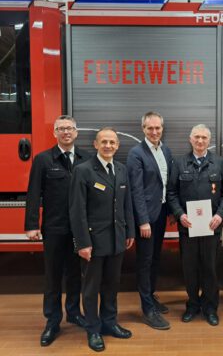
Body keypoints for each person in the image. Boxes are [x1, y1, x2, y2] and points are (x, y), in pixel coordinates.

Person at [25, 115, 90, 347]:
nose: (66, 132)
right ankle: (52, 321)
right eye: (61, 129)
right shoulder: (43, 160)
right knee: (53, 276)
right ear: (54, 133)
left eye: (70, 128)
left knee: (75, 273)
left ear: (76, 132)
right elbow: (34, 194)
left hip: (79, 229)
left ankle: (73, 312)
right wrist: (32, 224)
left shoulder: (86, 159)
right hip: (54, 228)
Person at [69, 127, 135, 352]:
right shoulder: (83, 170)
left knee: (112, 285)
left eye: (112, 142)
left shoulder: (122, 169)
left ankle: (109, 322)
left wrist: (130, 232)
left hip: (117, 239)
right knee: (91, 288)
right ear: (95, 144)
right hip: (93, 242)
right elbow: (77, 210)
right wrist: (82, 243)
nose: (108, 146)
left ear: (117, 146)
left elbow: (126, 204)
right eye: (104, 142)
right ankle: (93, 329)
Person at [167, 124, 223, 326]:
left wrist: (220, 215)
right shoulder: (179, 163)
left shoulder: (220, 163)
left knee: (210, 269)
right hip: (187, 227)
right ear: (190, 139)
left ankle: (210, 308)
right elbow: (171, 193)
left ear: (209, 140)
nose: (200, 141)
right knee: (190, 269)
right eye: (197, 137)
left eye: (204, 137)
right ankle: (193, 305)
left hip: (212, 227)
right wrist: (180, 215)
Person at [126, 112, 173, 330]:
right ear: (143, 129)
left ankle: (151, 297)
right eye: (150, 128)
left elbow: (166, 183)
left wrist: (170, 211)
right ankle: (147, 309)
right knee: (145, 261)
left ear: (162, 129)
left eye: (157, 128)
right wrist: (142, 221)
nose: (154, 132)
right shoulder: (136, 153)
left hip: (161, 212)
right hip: (146, 217)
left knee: (155, 258)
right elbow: (136, 190)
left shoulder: (166, 150)